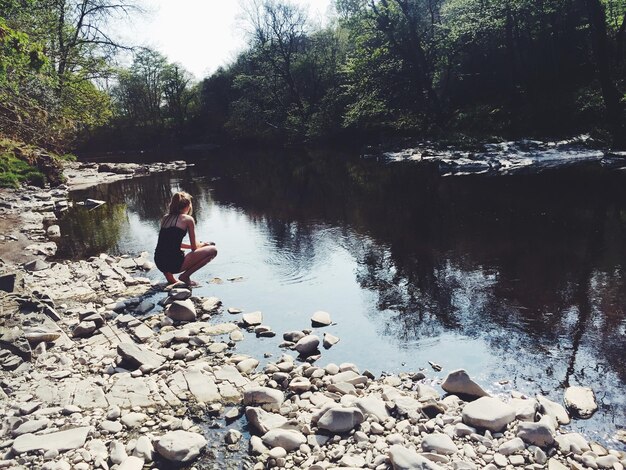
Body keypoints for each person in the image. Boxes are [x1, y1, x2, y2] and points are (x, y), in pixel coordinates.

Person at [154, 191, 217, 286]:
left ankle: (170, 278)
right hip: (175, 264)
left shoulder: (165, 218)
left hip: (159, 262)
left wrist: (200, 245)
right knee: (213, 250)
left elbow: (168, 243)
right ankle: (185, 276)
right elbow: (194, 248)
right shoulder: (188, 219)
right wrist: (203, 245)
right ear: (188, 205)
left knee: (166, 248)